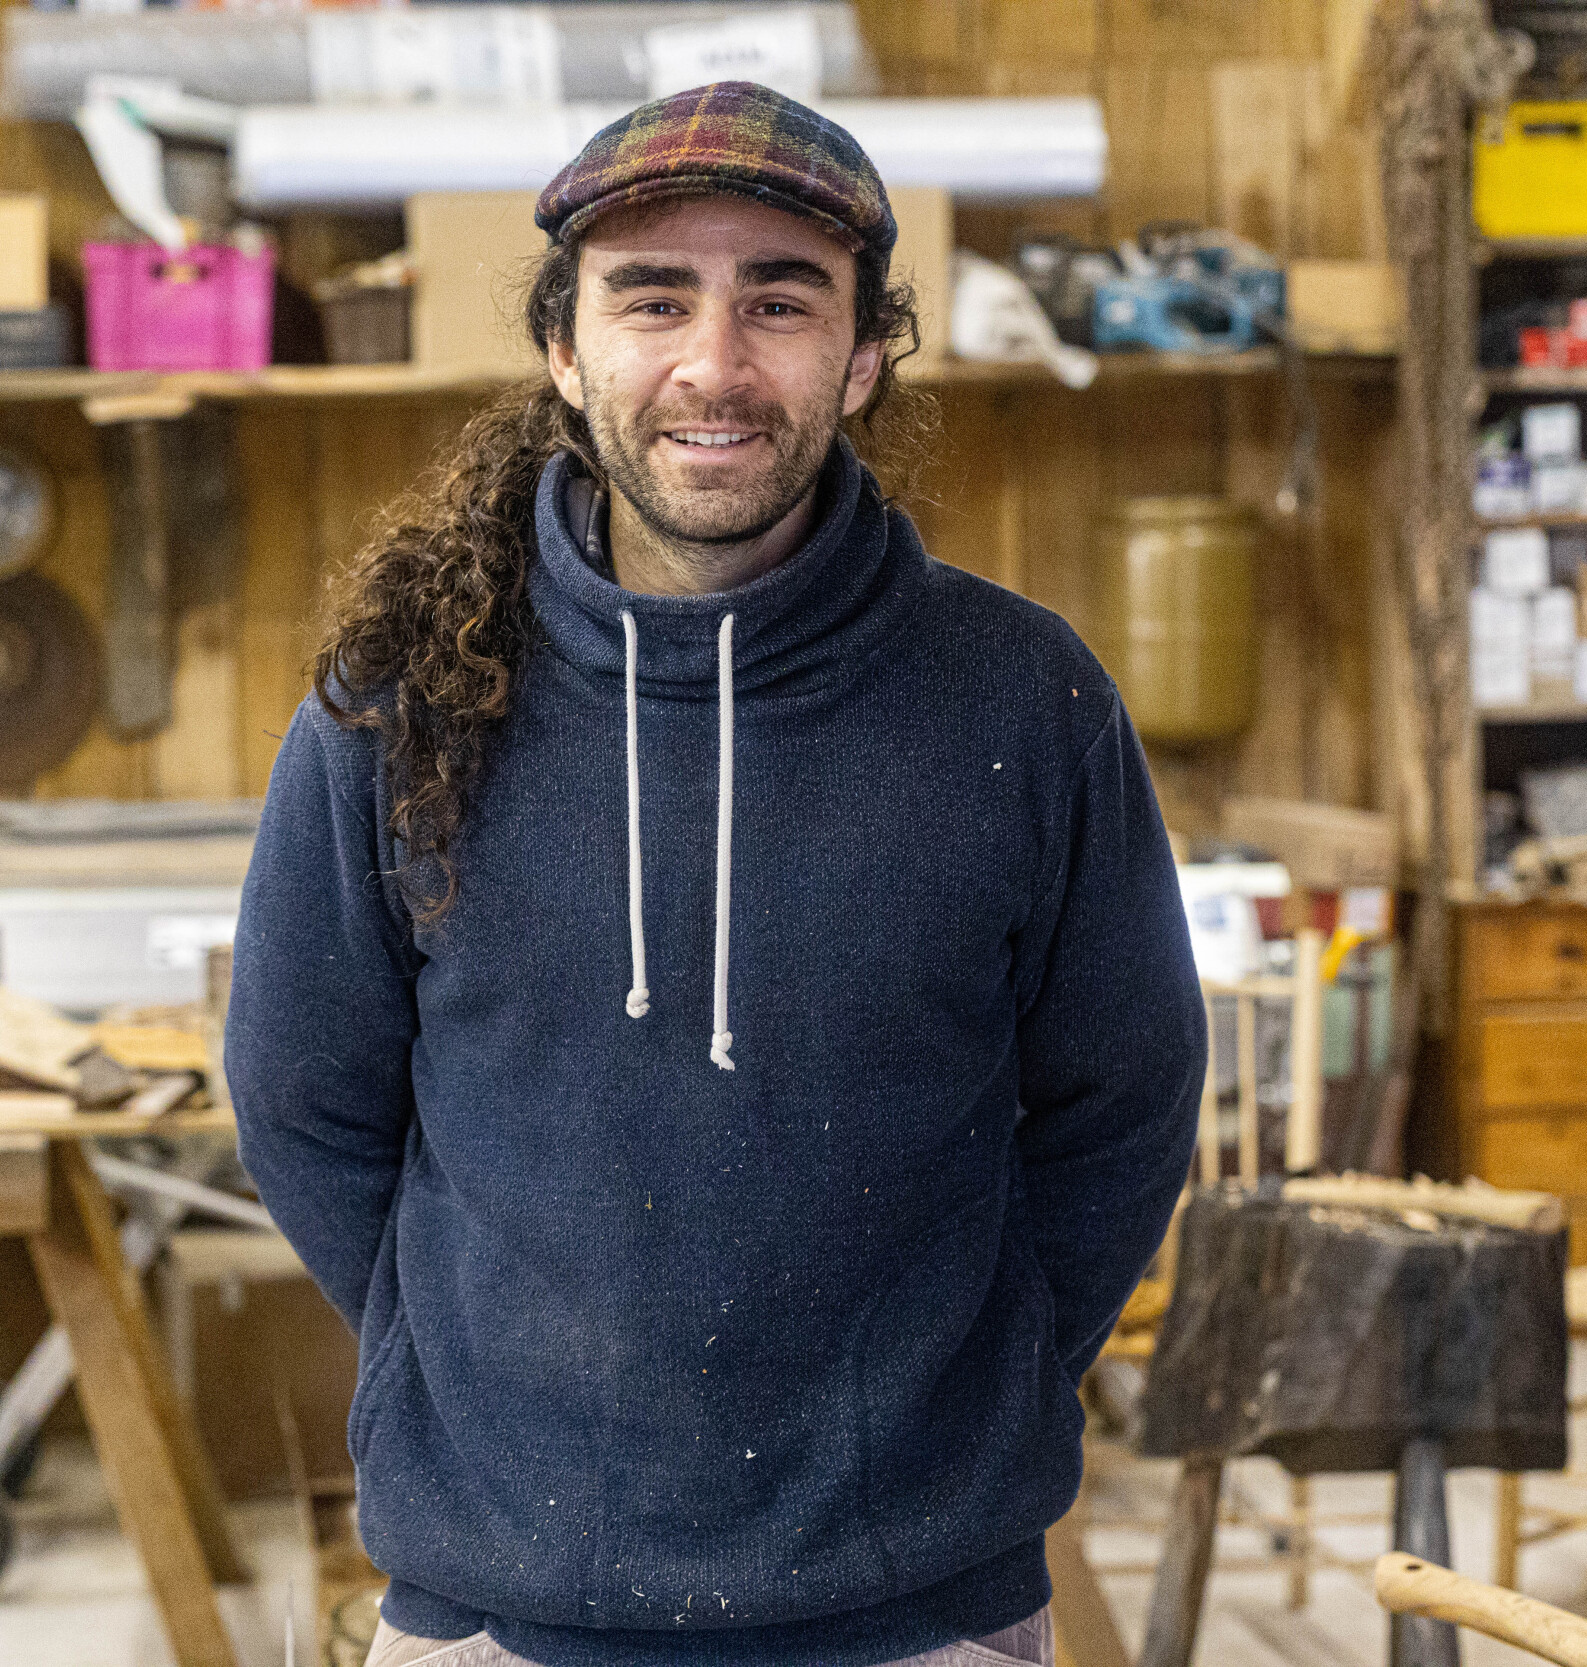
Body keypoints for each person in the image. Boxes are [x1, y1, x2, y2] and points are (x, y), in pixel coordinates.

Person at [228, 82, 1207, 1667]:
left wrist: (973, 1381)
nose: (714, 364)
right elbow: (302, 1099)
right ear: (563, 345)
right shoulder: (399, 699)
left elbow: (1126, 1104)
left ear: (866, 350)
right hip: (498, 1618)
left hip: (925, 1618)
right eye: (653, 297)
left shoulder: (1029, 701)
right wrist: (465, 1370)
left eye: (780, 301)